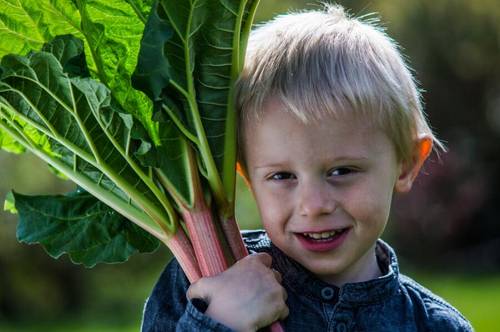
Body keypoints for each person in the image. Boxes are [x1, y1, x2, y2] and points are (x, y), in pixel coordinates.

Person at [141, 4, 473, 331]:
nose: (313, 206)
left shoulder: (436, 325)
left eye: (341, 171)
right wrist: (220, 322)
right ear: (245, 175)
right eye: (282, 176)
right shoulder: (202, 282)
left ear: (407, 163)